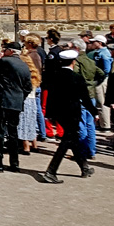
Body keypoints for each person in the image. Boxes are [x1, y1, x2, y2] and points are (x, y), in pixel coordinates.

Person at [38, 50, 98, 184]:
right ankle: (51, 171)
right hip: (72, 113)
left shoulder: (54, 76)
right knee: (67, 141)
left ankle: (84, 167)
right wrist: (94, 112)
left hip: (59, 113)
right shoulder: (76, 77)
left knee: (73, 139)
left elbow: (51, 96)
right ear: (73, 62)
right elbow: (85, 98)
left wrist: (49, 114)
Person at [0, 43, 31, 171]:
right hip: (16, 102)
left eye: (4, 50)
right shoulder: (24, 65)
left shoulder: (5, 61)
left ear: (10, 51)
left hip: (3, 101)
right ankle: (14, 163)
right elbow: (28, 86)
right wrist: (20, 97)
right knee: (13, 133)